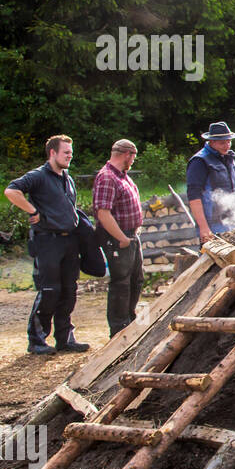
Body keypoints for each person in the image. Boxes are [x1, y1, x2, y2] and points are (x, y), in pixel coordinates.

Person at [4, 135, 90, 355]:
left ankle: (65, 338)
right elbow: (11, 190)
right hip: (47, 241)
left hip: (69, 240)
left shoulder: (67, 178)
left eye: (71, 152)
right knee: (50, 290)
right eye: (66, 152)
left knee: (69, 291)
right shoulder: (38, 176)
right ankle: (37, 340)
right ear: (52, 153)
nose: (70, 156)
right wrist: (32, 211)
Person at [93, 139, 144, 337]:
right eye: (133, 157)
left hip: (130, 236)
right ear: (127, 154)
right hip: (117, 238)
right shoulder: (107, 177)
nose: (133, 161)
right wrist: (121, 237)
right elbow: (103, 213)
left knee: (135, 280)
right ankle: (119, 329)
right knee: (121, 283)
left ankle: (129, 322)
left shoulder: (122, 176)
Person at [186, 121, 235, 243]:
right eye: (222, 142)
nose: (227, 145)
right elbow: (194, 197)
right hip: (213, 227)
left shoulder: (229, 159)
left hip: (232, 223)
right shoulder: (199, 161)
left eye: (229, 141)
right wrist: (203, 228)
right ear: (212, 142)